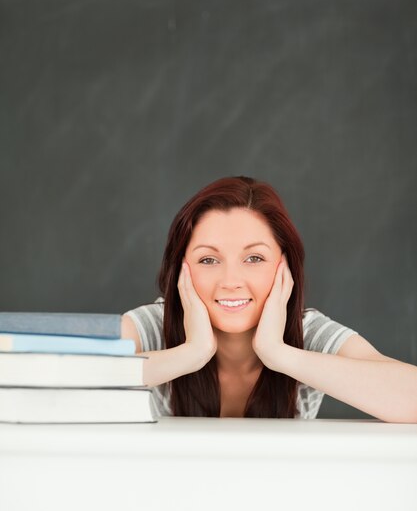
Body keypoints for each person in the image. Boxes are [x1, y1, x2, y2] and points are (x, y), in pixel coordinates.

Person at [122, 175, 417, 422]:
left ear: (285, 267)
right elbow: (76, 384)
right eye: (209, 260)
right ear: (180, 268)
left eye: (254, 258)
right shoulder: (153, 325)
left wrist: (277, 353)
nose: (231, 282)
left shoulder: (307, 332)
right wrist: (191, 353)